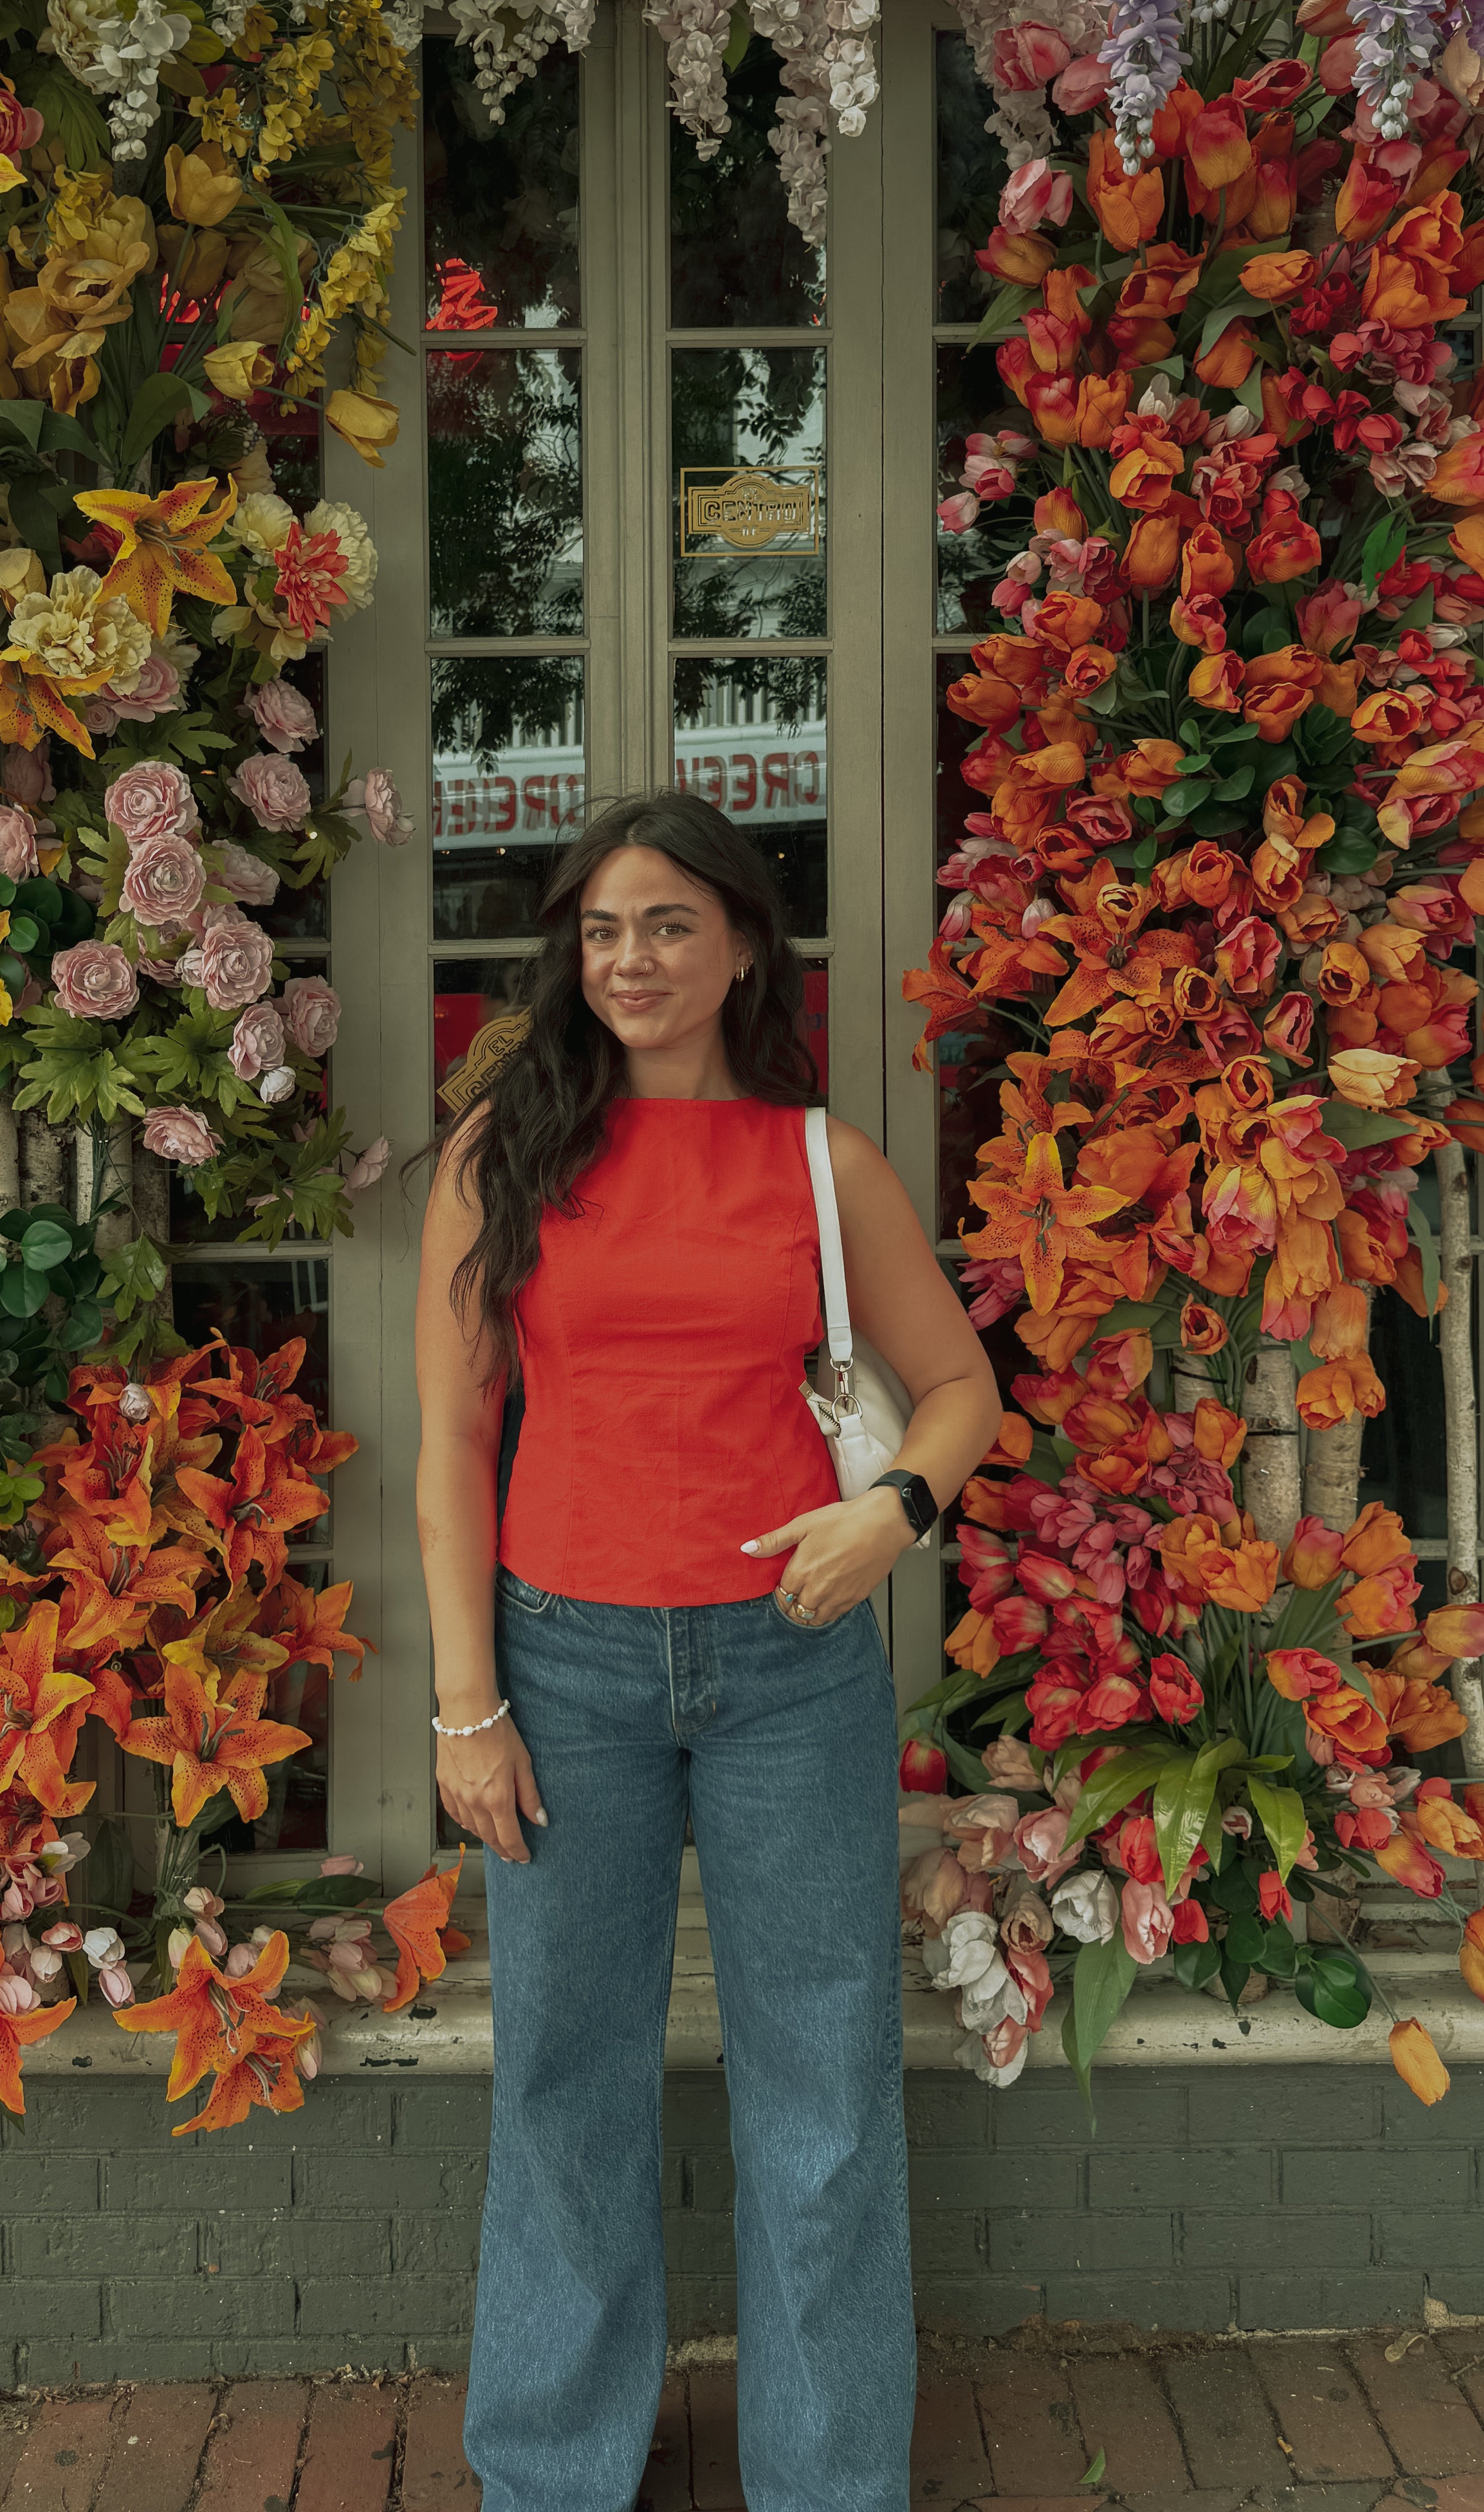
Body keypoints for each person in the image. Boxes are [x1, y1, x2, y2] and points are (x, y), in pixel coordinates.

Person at [414, 791, 1003, 2512]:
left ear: (744, 945)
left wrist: (891, 1512)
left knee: (822, 2094)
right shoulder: (502, 1153)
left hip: (790, 1671)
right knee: (563, 2085)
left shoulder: (822, 1163)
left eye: (669, 924)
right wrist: (465, 1706)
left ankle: (830, 2483)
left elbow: (961, 1390)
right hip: (565, 1668)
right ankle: (550, 2476)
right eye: (603, 931)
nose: (632, 961)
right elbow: (455, 1442)